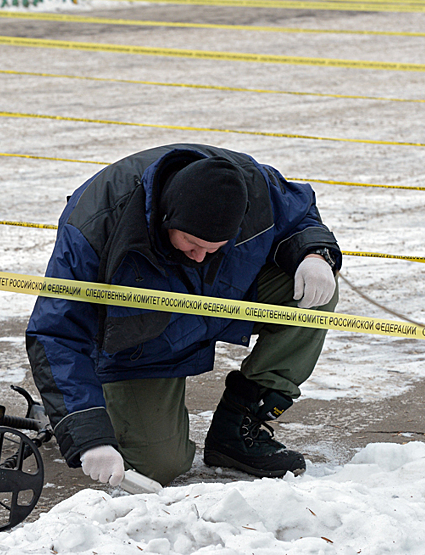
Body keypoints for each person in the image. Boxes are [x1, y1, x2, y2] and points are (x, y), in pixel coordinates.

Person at [25, 143, 341, 488]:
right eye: (191, 243)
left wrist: (315, 254)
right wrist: (88, 434)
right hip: (136, 346)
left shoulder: (250, 186)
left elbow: (297, 214)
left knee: (313, 298)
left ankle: (236, 429)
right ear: (167, 218)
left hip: (219, 300)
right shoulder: (95, 225)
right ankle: (81, 416)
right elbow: (55, 332)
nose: (201, 257)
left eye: (215, 247)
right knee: (159, 466)